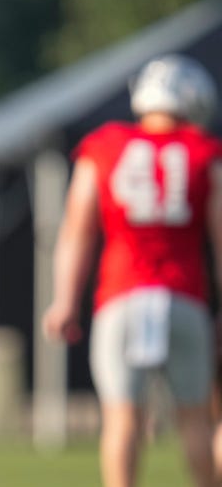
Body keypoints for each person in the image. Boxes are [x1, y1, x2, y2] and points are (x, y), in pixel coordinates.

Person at [42, 54, 221, 487]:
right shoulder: (204, 152)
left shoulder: (105, 145)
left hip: (120, 297)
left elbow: (77, 230)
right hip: (184, 296)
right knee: (196, 419)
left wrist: (64, 299)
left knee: (121, 420)